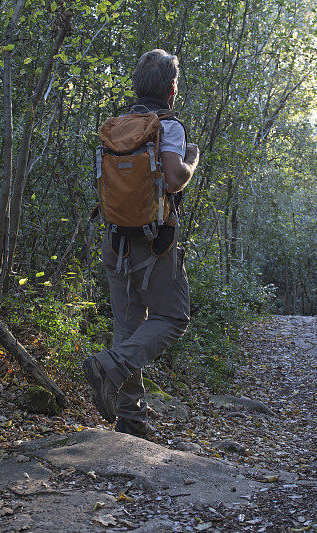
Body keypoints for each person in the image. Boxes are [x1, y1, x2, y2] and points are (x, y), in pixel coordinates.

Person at [82, 49, 200, 438]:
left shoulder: (116, 126)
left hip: (115, 239)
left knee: (128, 326)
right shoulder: (167, 125)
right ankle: (111, 366)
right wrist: (192, 161)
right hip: (155, 243)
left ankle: (131, 420)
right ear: (171, 89)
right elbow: (173, 178)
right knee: (173, 316)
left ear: (137, 85)